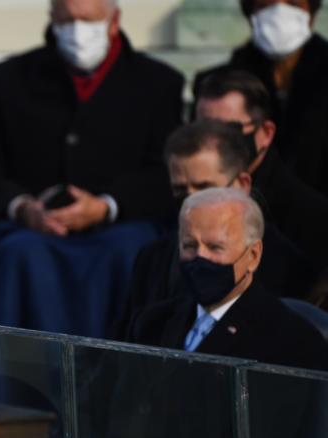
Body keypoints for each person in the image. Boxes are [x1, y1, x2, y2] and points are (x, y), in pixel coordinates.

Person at [0, 0, 183, 338]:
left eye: (87, 20)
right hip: (32, 234)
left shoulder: (159, 83)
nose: (77, 32)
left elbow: (165, 175)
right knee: (16, 257)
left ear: (113, 22)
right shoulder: (8, 80)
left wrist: (106, 207)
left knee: (135, 255)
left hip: (122, 231)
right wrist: (25, 208)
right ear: (52, 22)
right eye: (67, 21)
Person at [115, 118, 316, 335]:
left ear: (242, 184)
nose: (191, 200)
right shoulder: (152, 259)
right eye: (180, 190)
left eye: (205, 189)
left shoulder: (286, 264)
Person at [127, 188, 328, 370]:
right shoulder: (151, 324)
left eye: (215, 247)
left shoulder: (292, 340)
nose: (200, 257)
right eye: (189, 245)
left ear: (253, 256)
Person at [194, 69, 328, 297]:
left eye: (228, 130)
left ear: (265, 133)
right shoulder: (185, 195)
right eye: (202, 129)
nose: (212, 142)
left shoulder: (311, 217)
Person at [194, 0, 328, 196]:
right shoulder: (215, 86)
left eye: (294, 4)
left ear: (312, 14)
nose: (279, 13)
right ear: (250, 14)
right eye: (266, 5)